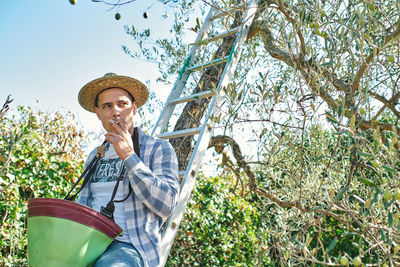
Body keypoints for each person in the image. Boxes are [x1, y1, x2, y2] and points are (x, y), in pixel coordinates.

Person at [76, 73, 180, 267]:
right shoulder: (94, 156)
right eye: (107, 106)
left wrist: (130, 157)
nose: (115, 111)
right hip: (89, 241)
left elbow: (167, 204)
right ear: (98, 113)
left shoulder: (158, 149)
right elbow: (83, 204)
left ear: (133, 109)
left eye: (122, 104)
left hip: (129, 245)